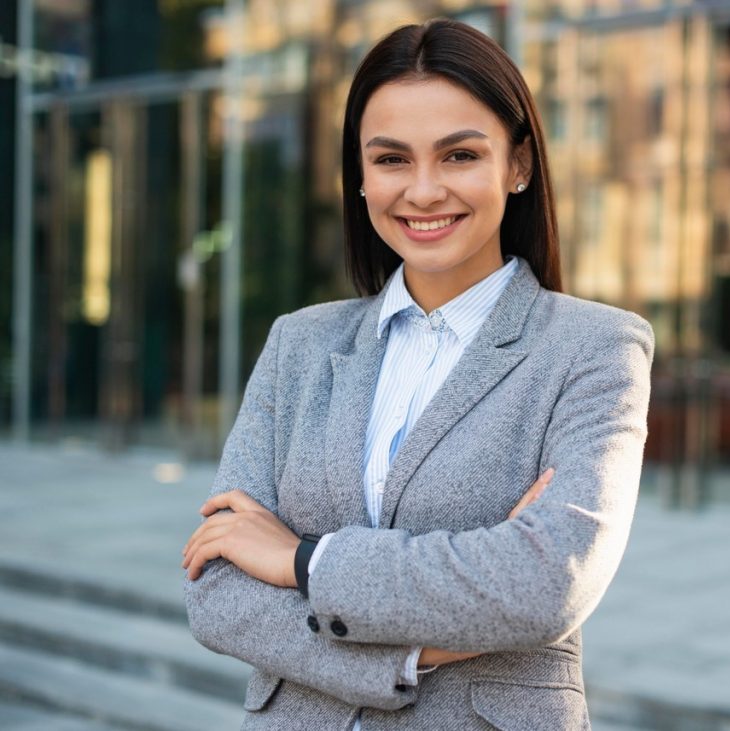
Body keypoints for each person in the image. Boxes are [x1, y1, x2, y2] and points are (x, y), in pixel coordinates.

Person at [181, 17, 654, 730]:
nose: (424, 191)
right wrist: (412, 651)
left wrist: (302, 560)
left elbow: (545, 579)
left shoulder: (596, 347)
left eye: (460, 154)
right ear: (362, 177)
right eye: (392, 159)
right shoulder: (298, 345)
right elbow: (217, 592)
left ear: (517, 165)